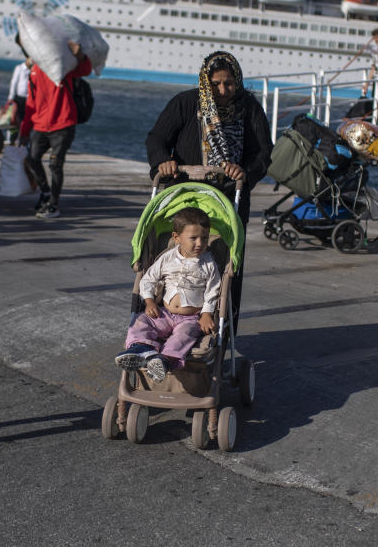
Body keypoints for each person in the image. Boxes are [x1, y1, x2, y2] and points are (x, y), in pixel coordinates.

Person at [146, 51, 273, 226]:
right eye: (215, 84)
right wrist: (163, 161)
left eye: (228, 83)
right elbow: (157, 139)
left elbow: (263, 152)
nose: (222, 90)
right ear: (206, 82)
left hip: (230, 198)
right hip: (186, 195)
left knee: (227, 250)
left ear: (237, 81)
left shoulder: (251, 109)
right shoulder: (185, 103)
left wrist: (245, 173)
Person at [114, 207, 221, 383]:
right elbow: (148, 280)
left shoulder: (208, 263)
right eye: (193, 238)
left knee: (184, 336)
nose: (200, 243)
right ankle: (141, 348)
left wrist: (207, 314)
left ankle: (165, 360)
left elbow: (213, 290)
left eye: (204, 238)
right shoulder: (167, 258)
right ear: (176, 237)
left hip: (190, 318)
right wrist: (149, 302)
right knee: (141, 321)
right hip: (165, 313)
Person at [17, 39, 91, 219]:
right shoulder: (34, 71)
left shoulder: (62, 67)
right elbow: (30, 104)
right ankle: (45, 191)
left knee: (55, 164)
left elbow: (85, 70)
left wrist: (79, 55)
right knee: (32, 159)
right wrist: (24, 131)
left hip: (63, 124)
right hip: (41, 125)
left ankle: (53, 204)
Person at [8, 35, 33, 138]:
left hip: (29, 99)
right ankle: (12, 139)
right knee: (15, 119)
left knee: (26, 120)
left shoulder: (34, 71)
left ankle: (24, 138)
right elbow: (14, 83)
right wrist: (11, 98)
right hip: (18, 98)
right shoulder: (19, 68)